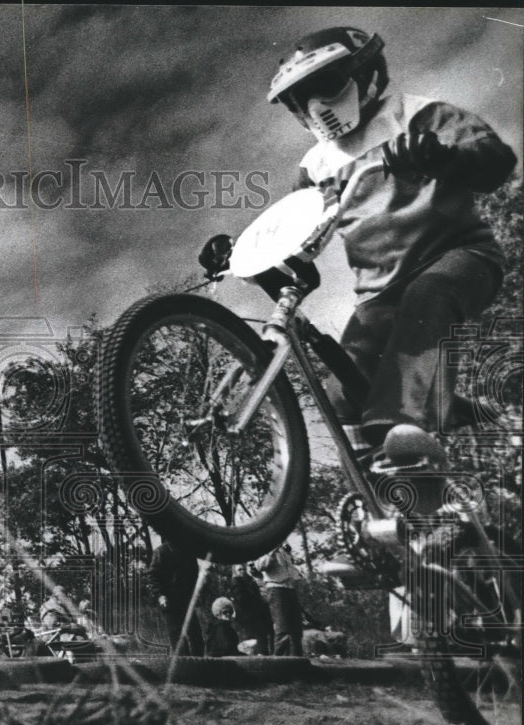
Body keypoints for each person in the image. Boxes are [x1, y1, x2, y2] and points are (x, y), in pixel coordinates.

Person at [199, 26, 516, 470]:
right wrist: (245, 256)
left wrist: (440, 156)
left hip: (458, 257)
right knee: (342, 395)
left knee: (428, 297)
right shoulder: (315, 167)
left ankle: (405, 424)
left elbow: (495, 161)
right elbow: (300, 238)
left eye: (324, 88)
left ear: (367, 74)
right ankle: (400, 500)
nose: (316, 108)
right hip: (379, 295)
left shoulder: (417, 115)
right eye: (300, 100)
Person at [146, 540, 204, 656]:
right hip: (170, 600)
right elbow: (152, 575)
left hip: (187, 600)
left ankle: (199, 664)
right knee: (178, 639)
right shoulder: (161, 551)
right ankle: (184, 666)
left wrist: (195, 593)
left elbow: (194, 574)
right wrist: (161, 595)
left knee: (196, 636)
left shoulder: (188, 551)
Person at [252, 543, 304, 656]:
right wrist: (272, 550)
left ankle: (298, 662)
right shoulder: (263, 547)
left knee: (296, 630)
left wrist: (295, 565)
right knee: (282, 629)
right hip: (276, 589)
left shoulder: (284, 550)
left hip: (290, 589)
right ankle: (278, 662)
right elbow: (259, 566)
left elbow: (290, 567)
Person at [229, 564, 275, 655]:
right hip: (247, 618)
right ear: (235, 572)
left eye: (243, 569)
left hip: (256, 616)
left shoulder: (249, 580)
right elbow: (241, 599)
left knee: (261, 641)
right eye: (239, 570)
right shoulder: (236, 581)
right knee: (255, 643)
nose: (242, 571)